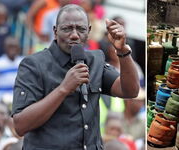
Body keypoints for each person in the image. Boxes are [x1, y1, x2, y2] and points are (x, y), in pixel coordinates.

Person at [12, 4, 139, 150]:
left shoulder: (95, 60)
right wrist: (63, 89)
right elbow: (20, 125)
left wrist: (122, 50)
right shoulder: (33, 65)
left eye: (81, 29)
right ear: (55, 31)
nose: (74, 35)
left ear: (89, 31)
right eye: (67, 28)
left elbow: (130, 91)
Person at [0, 37, 23, 102]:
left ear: (19, 48)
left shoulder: (23, 62)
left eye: (15, 46)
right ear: (5, 47)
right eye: (10, 46)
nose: (13, 49)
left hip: (20, 98)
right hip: (1, 98)